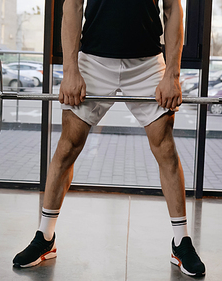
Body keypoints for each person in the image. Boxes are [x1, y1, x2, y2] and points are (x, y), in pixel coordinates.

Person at [13, 0, 206, 277]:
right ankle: (45, 237)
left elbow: (173, 8)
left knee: (165, 147)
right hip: (93, 60)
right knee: (67, 146)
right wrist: (71, 71)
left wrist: (173, 75)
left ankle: (181, 242)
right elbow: (73, 5)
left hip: (147, 62)